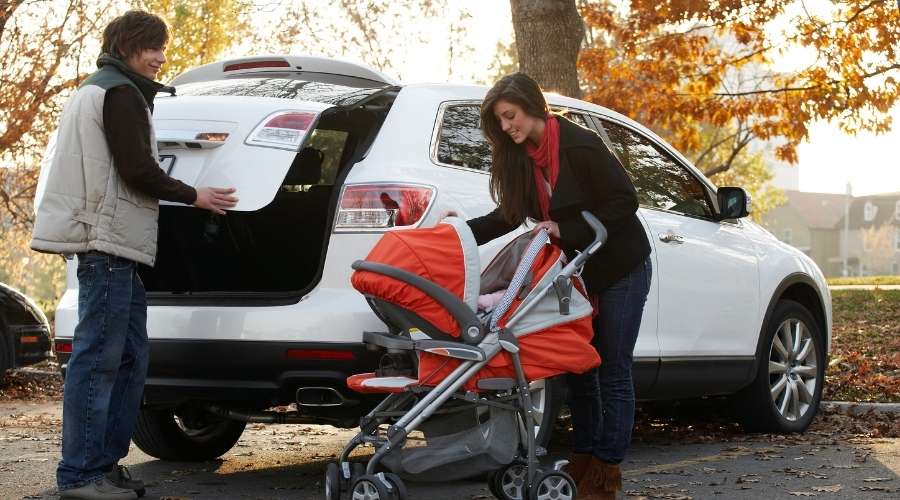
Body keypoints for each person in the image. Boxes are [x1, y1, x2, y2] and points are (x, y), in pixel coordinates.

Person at [30, 10, 238, 500]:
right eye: (152, 47)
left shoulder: (96, 89)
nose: (160, 57)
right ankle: (80, 475)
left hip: (115, 247)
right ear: (127, 47)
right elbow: (137, 169)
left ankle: (102, 467)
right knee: (100, 360)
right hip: (106, 244)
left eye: (162, 47)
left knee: (127, 358)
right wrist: (196, 195)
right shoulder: (118, 93)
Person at [463, 73, 652, 500]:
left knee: (613, 369)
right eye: (501, 122)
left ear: (532, 105)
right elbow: (508, 216)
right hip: (577, 275)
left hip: (621, 266)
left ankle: (605, 475)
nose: (507, 127)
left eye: (510, 116)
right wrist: (457, 234)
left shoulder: (578, 144)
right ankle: (582, 460)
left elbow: (625, 200)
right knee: (580, 368)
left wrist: (565, 228)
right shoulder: (520, 159)